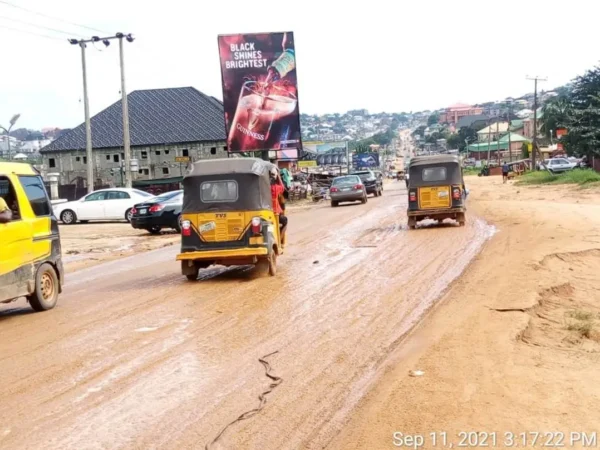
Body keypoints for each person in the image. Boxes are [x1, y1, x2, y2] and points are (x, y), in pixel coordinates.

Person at [270, 168, 288, 246]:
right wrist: (279, 177)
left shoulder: (264, 187)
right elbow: (283, 188)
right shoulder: (275, 188)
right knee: (285, 221)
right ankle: (279, 240)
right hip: (275, 211)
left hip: (264, 212)